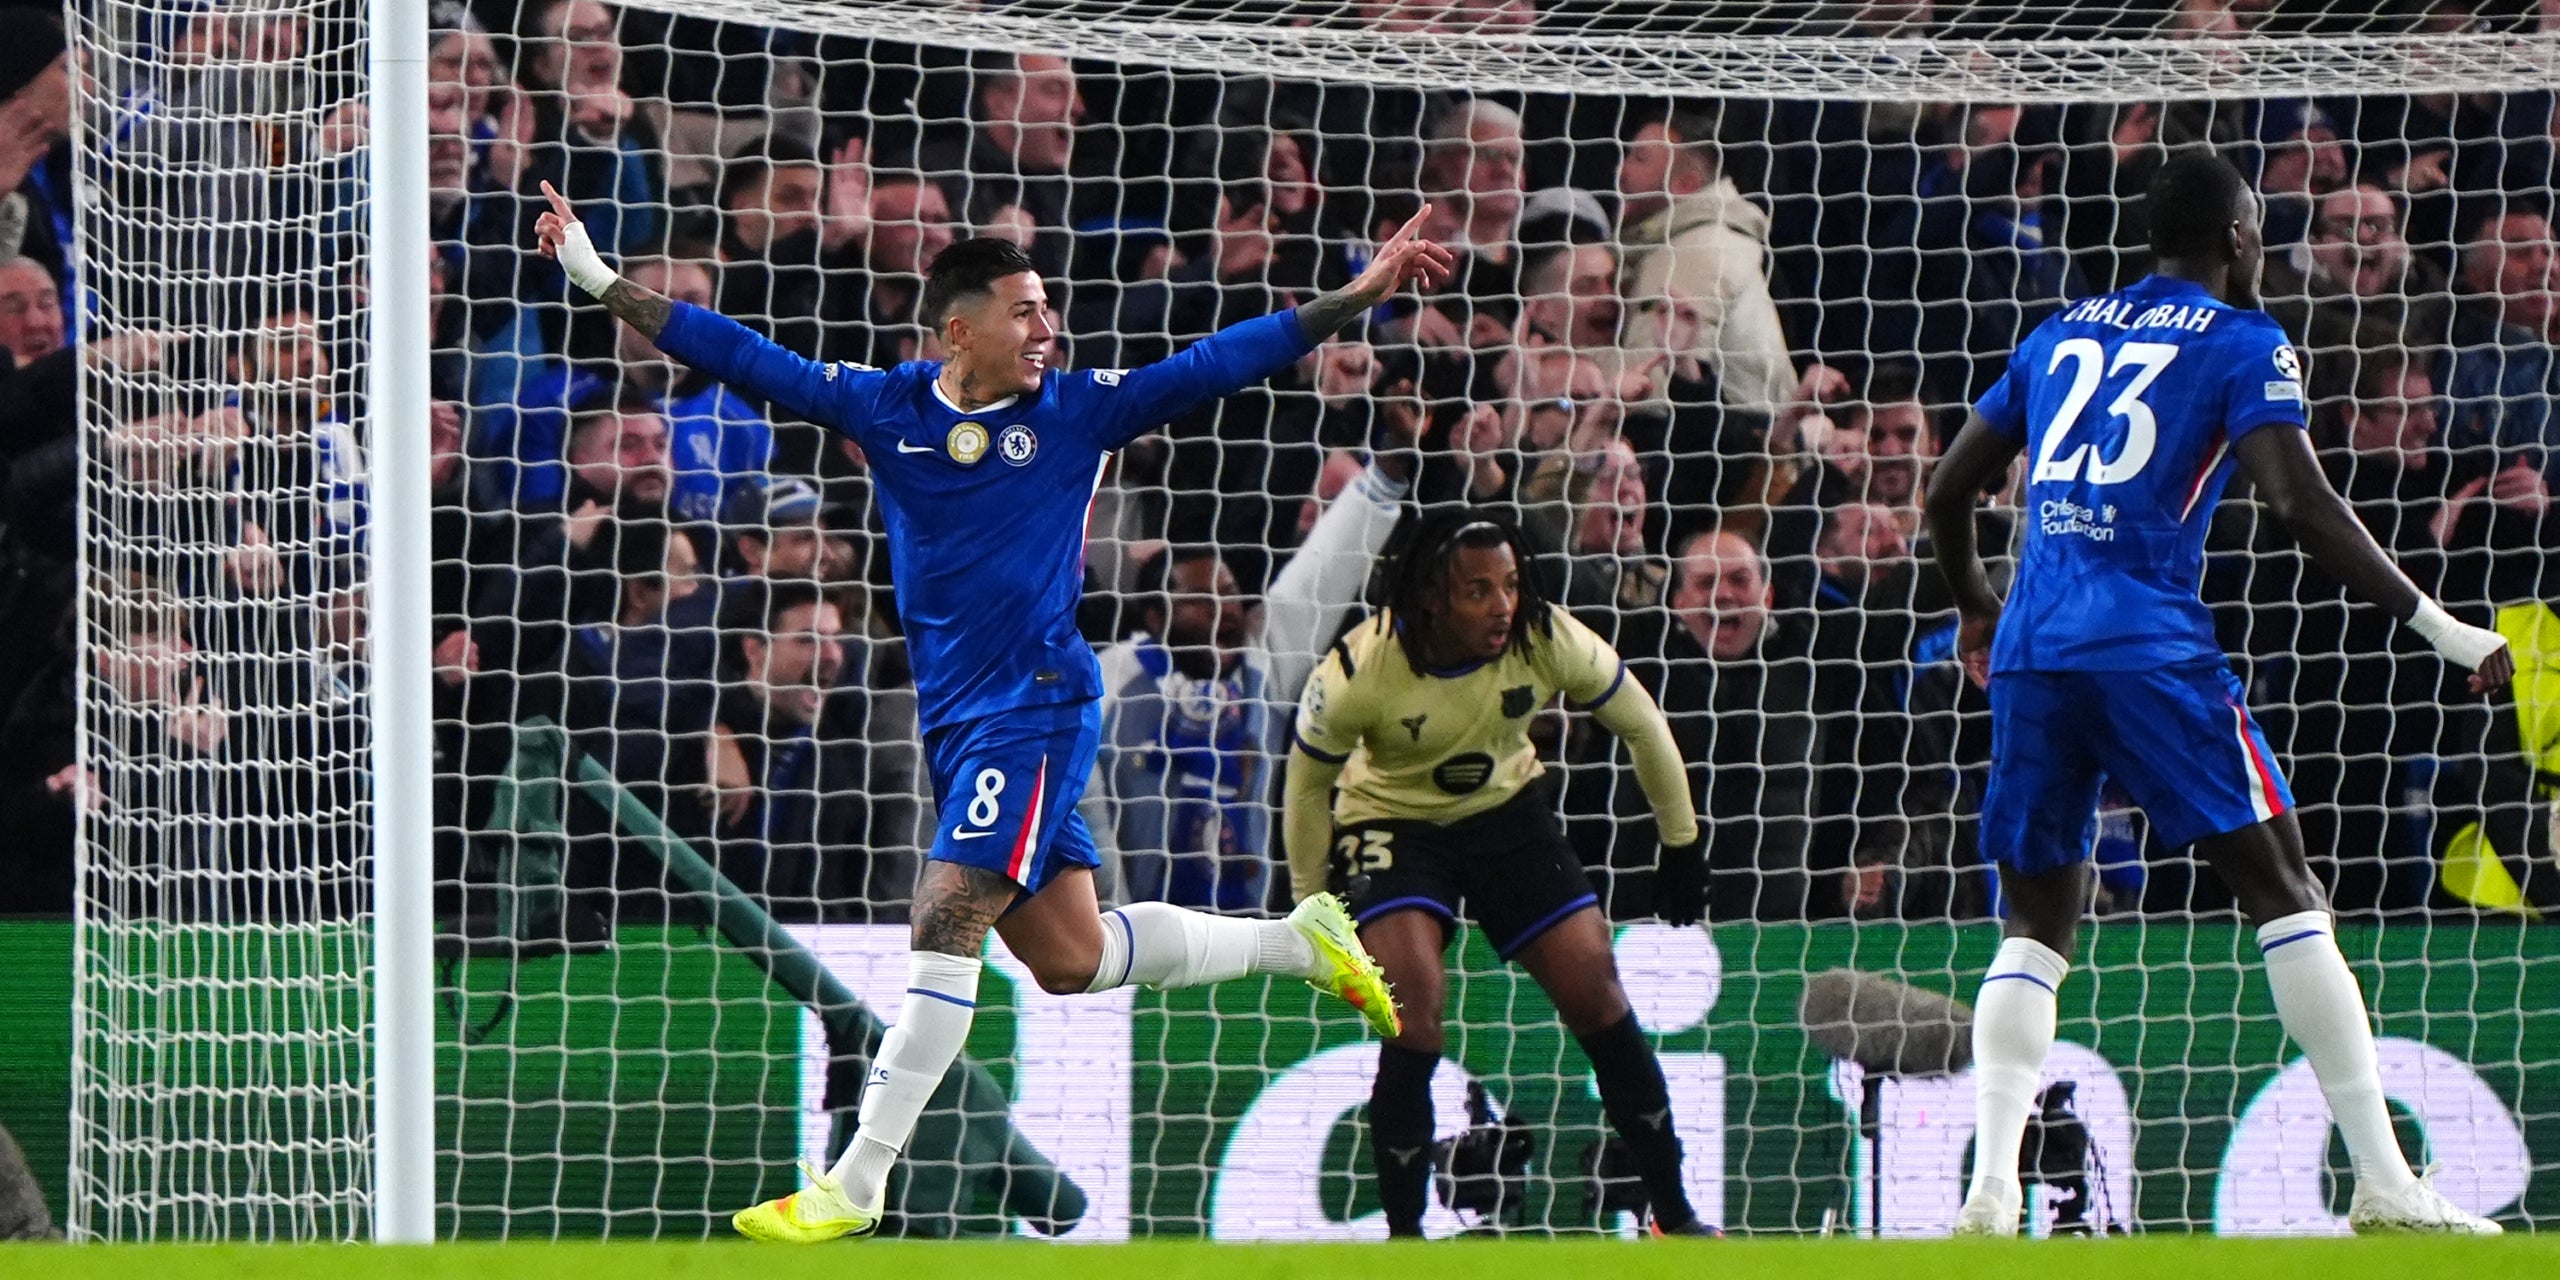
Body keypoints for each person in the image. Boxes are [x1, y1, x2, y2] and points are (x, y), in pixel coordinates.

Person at [532, 177, 1456, 1242]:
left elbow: (1221, 359)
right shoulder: (886, 406)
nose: (1047, 328)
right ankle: (1297, 942)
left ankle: (857, 1179)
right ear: (959, 331)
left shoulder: (1078, 410)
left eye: (1049, 307)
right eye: (1025, 311)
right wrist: (596, 277)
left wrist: (1358, 294)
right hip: (959, 721)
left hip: (1038, 703)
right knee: (1069, 959)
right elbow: (739, 352)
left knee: (946, 913)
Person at [1924, 152, 2510, 1236]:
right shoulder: (2246, 341)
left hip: (2034, 650)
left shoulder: (2058, 333)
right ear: (2239, 237)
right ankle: (2385, 1181)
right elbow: (2299, 501)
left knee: (2035, 922)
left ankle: (1990, 1192)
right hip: (2150, 649)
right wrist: (2437, 625)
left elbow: (1947, 489)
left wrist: (1975, 608)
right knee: (2286, 891)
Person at [1281, 511, 1718, 1238]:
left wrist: (1681, 843)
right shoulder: (1361, 669)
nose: (1504, 605)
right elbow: (1305, 787)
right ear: (1432, 598)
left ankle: (1674, 1215)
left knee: (1598, 991)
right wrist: (1309, 905)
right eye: (1479, 591)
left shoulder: (1543, 635)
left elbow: (1642, 723)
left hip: (1506, 813)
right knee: (1412, 1008)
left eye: (1511, 585)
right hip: (1392, 821)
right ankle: (1404, 1239)